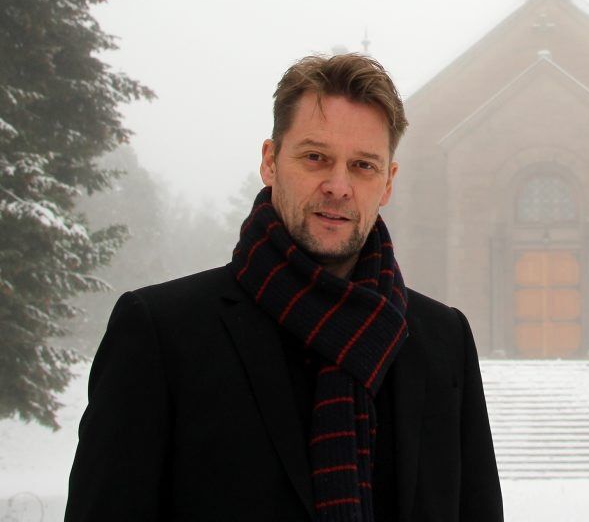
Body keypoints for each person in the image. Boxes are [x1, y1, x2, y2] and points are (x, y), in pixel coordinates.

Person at [66, 53, 504, 522]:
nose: (338, 186)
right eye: (315, 157)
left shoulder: (442, 341)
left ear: (388, 182)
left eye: (363, 165)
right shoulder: (162, 334)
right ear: (270, 162)